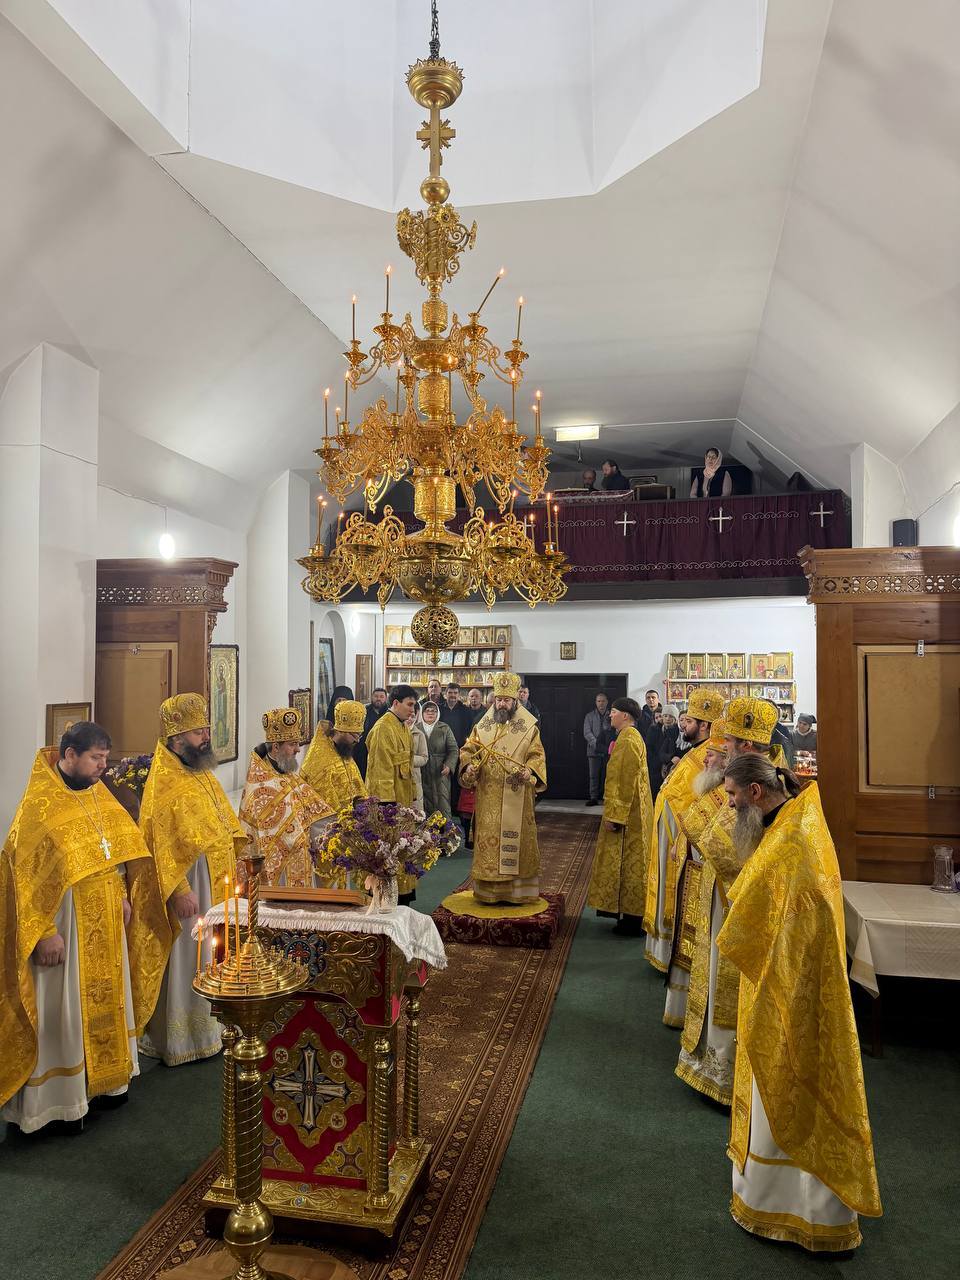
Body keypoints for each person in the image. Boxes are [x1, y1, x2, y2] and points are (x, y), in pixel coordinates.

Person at [718, 754, 882, 1251]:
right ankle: (774, 1197)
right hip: (788, 974)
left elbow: (753, 908)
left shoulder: (792, 840)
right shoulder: (800, 815)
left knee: (790, 1080)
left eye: (732, 797)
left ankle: (798, 1210)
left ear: (755, 792)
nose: (729, 807)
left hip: (793, 986)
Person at [0, 723, 170, 1133]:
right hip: (65, 928)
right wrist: (44, 933)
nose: (102, 767)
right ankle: (58, 1104)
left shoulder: (98, 794)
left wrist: (123, 895)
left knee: (105, 998)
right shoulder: (39, 808)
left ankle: (105, 1086)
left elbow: (117, 854)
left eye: (105, 759)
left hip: (106, 920)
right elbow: (23, 879)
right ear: (70, 754)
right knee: (64, 1009)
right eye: (96, 758)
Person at [138, 693, 247, 1066]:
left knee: (216, 952)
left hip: (216, 881)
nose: (206, 736)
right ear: (176, 738)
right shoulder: (164, 782)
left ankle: (215, 1026)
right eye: (198, 731)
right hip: (191, 887)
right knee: (191, 955)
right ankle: (184, 1038)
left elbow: (224, 821)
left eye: (206, 729)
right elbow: (158, 842)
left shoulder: (201, 773)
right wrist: (179, 891)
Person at [675, 722, 741, 1105]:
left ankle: (724, 1070)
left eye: (722, 748)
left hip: (733, 899)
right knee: (710, 971)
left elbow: (722, 841)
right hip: (714, 891)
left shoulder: (751, 789)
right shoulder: (725, 786)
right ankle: (706, 1059)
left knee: (723, 976)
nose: (709, 758)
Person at [642, 688, 725, 984]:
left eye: (689, 721)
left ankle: (670, 954)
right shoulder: (696, 751)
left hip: (682, 839)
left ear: (704, 725)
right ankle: (661, 949)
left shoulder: (712, 755)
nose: (682, 725)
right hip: (669, 836)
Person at [459, 672, 547, 903]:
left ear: (515, 700)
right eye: (498, 699)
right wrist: (469, 767)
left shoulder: (529, 728)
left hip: (517, 794)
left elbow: (537, 755)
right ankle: (489, 893)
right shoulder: (482, 726)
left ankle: (518, 893)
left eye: (506, 700)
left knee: (517, 844)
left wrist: (529, 771)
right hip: (488, 795)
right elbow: (468, 751)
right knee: (490, 846)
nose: (501, 704)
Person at [238, 708, 332, 888]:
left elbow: (317, 815)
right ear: (275, 747)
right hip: (277, 873)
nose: (298, 749)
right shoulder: (258, 787)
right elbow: (264, 838)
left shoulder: (289, 775)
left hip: (303, 863)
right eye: (292, 744)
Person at [587, 697, 653, 935]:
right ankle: (630, 916)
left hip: (628, 815)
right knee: (631, 864)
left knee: (629, 864)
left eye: (613, 712)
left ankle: (633, 920)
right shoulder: (630, 737)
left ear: (625, 715)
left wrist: (615, 816)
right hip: (634, 811)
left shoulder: (628, 739)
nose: (610, 715)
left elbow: (624, 781)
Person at [365, 684, 419, 900]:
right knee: (388, 855)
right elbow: (380, 771)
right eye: (410, 705)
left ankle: (402, 897)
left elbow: (409, 766)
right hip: (389, 807)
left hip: (403, 802)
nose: (413, 710)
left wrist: (412, 797)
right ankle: (386, 900)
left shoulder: (402, 726)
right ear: (396, 703)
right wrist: (387, 808)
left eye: (414, 705)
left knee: (403, 851)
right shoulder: (383, 728)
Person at [301, 699, 367, 813]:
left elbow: (358, 787)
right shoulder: (321, 761)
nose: (357, 740)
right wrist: (344, 818)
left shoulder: (344, 751)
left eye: (359, 735)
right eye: (354, 735)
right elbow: (325, 802)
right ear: (340, 731)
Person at [418, 701, 459, 822]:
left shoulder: (444, 728)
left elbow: (453, 749)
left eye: (433, 711)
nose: (430, 713)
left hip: (440, 771)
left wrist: (449, 765)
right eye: (427, 711)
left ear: (438, 713)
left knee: (442, 803)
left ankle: (445, 832)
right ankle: (425, 833)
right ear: (422, 713)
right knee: (423, 804)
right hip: (421, 770)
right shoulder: (416, 728)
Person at [722, 697, 789, 768]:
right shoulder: (762, 768)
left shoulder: (756, 774)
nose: (723, 747)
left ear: (746, 745)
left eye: (727, 740)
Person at [583, 692, 611, 807]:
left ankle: (607, 797)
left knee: (608, 775)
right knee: (593, 776)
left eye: (603, 701)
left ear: (607, 702)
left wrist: (607, 747)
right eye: (599, 701)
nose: (601, 703)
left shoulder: (612, 715)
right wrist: (597, 745)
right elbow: (587, 733)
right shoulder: (589, 716)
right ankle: (593, 798)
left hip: (608, 751)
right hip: (593, 751)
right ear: (596, 702)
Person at [355, 687, 388, 776]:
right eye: (376, 696)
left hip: (383, 751)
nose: (378, 699)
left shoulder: (389, 713)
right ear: (371, 697)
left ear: (386, 698)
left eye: (381, 696)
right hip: (364, 750)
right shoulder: (363, 711)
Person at [408, 707, 429, 809]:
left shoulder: (419, 734)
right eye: (408, 716)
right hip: (397, 776)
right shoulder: (394, 731)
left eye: (412, 716)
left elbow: (424, 757)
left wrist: (408, 759)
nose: (409, 719)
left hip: (414, 777)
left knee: (415, 809)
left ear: (416, 717)